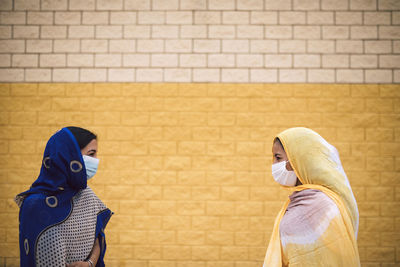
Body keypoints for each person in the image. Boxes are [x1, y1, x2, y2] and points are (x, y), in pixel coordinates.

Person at [15, 127, 113, 267]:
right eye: (91, 154)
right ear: (68, 155)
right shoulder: (35, 205)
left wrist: (90, 263)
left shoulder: (86, 195)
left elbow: (98, 238)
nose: (96, 161)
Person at [263, 127, 360, 266]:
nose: (274, 164)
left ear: (298, 160)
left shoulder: (324, 206)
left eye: (278, 157)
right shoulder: (301, 201)